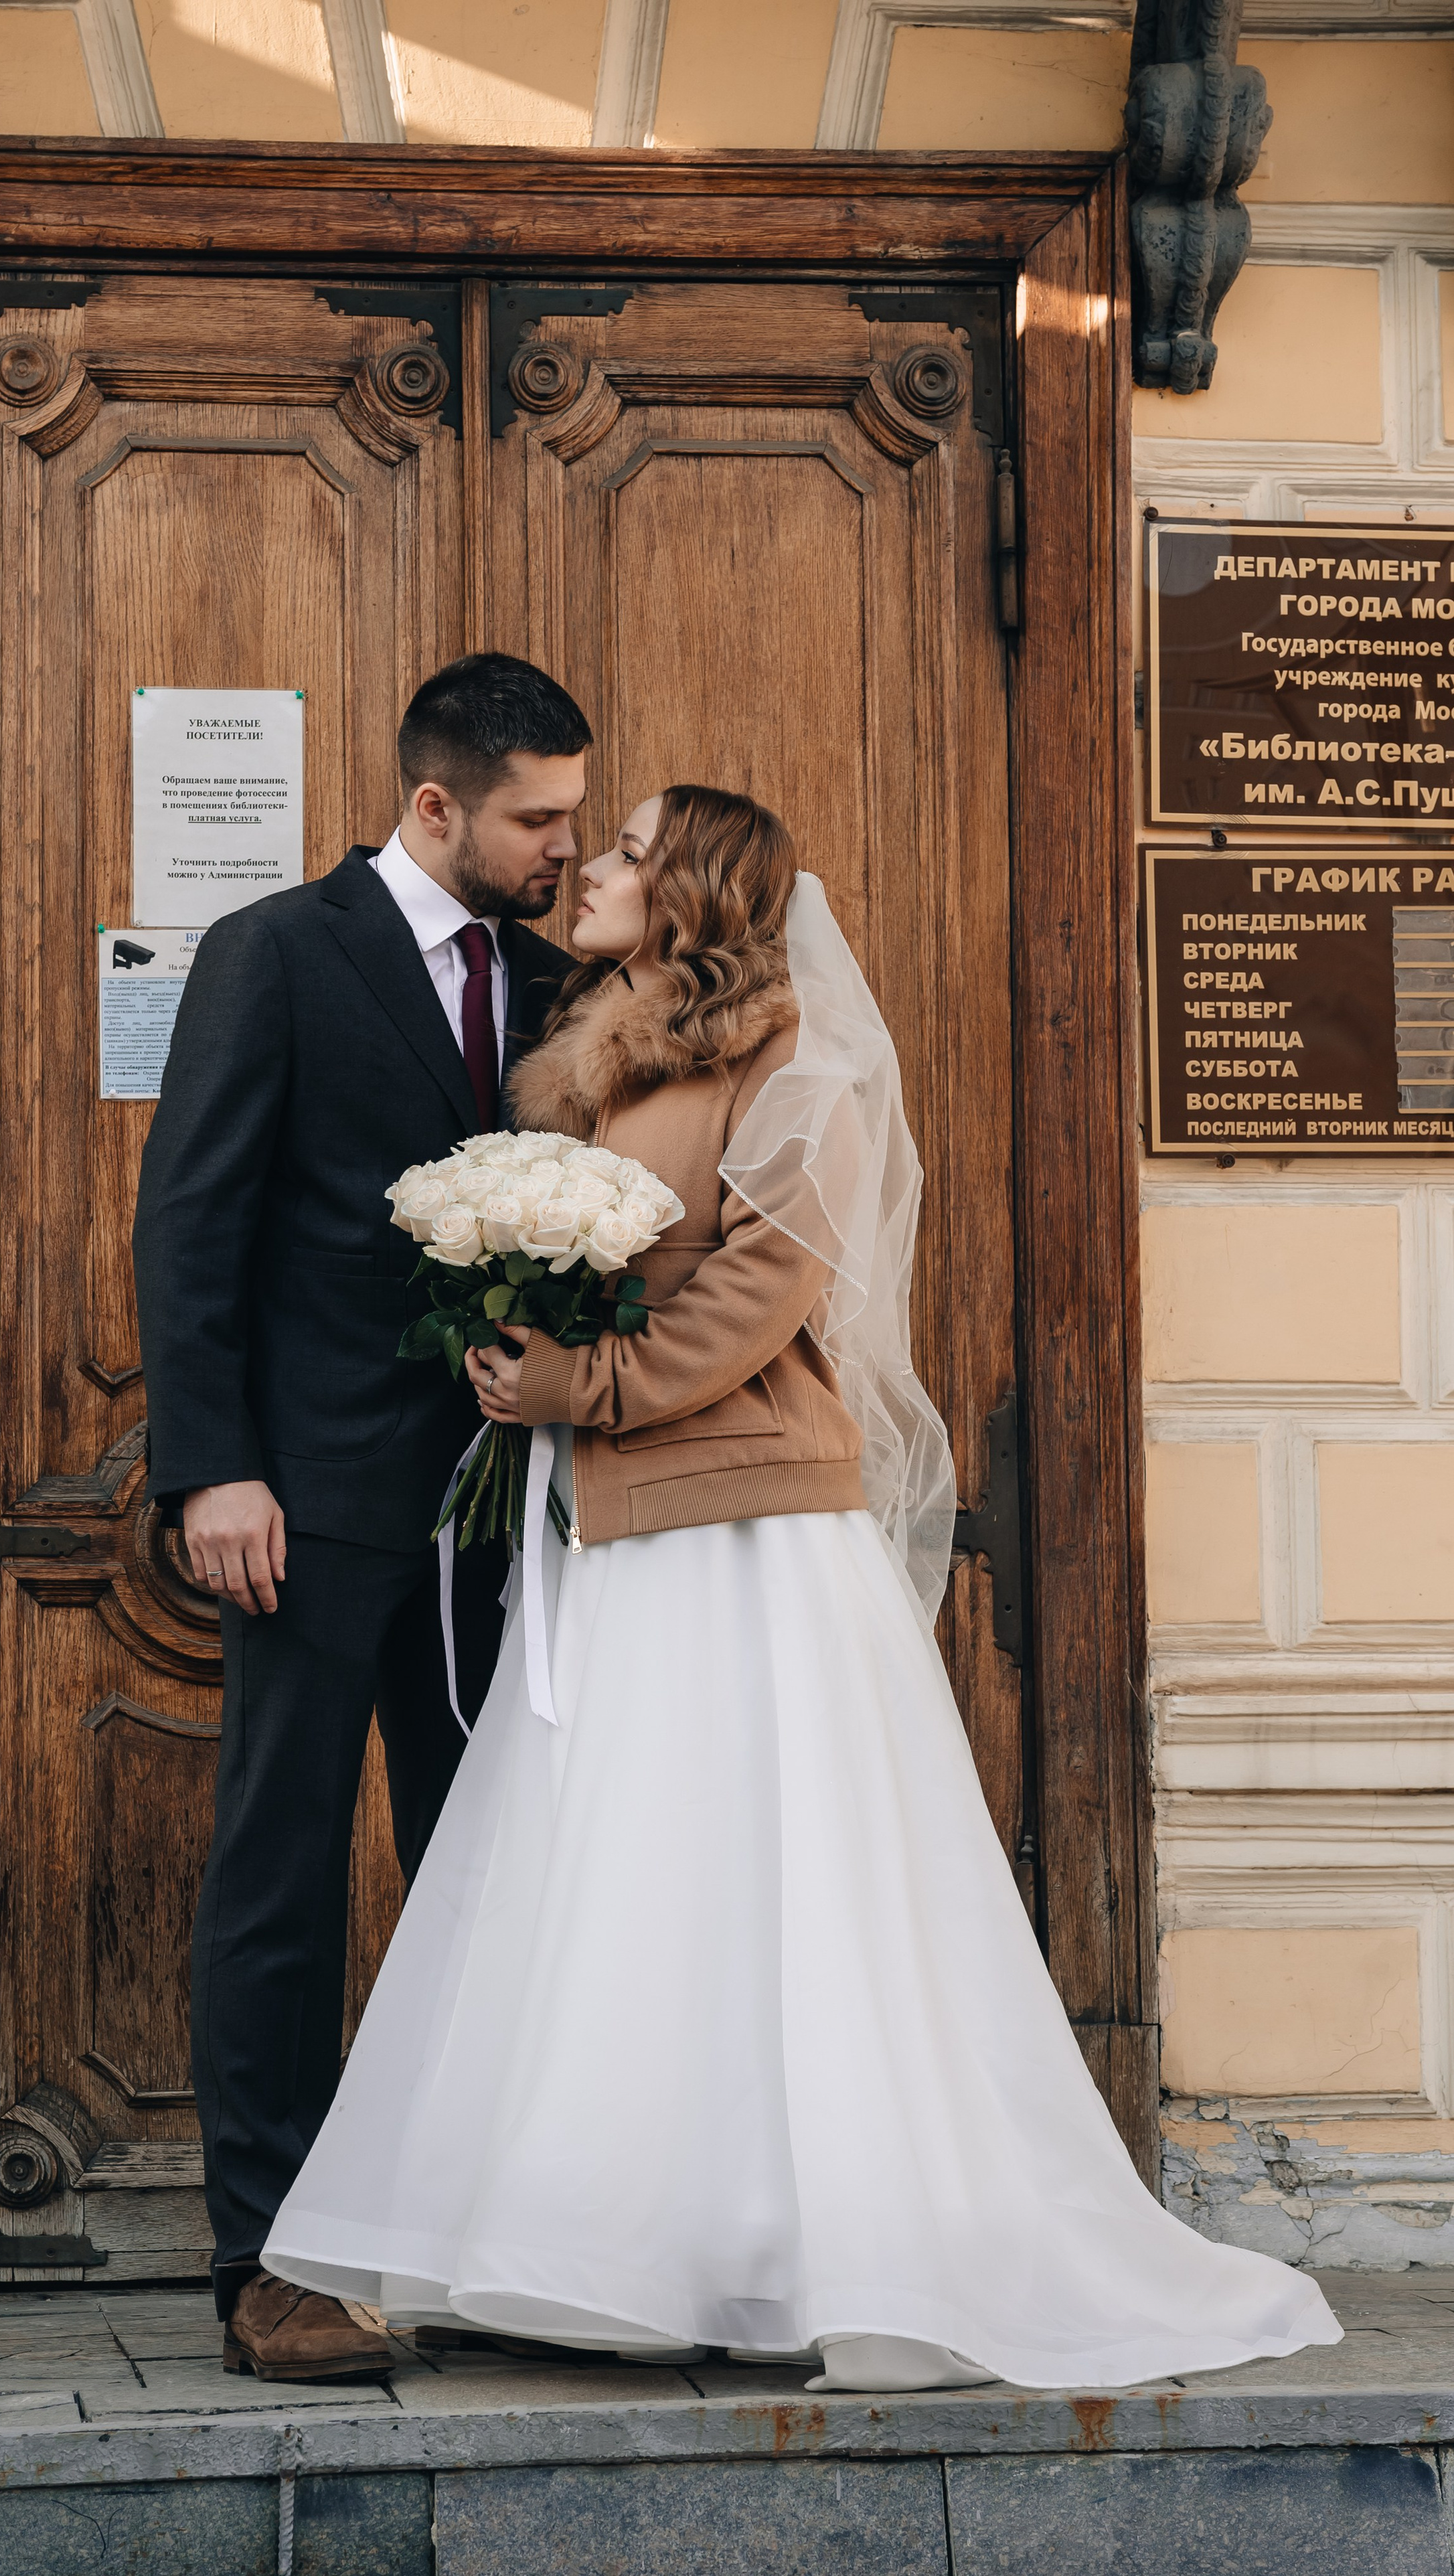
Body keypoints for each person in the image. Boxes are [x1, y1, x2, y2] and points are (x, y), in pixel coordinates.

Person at [260, 784, 1341, 2391]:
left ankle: (817, 2242)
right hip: (609, 1531)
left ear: (688, 891)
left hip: (741, 1528)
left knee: (767, 1880)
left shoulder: (794, 1071)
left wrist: (584, 1384)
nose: (594, 868)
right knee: (624, 1881)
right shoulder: (593, 1053)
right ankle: (614, 2241)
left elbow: (761, 1292)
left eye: (628, 851)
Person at [132, 654, 586, 2383]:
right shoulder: (276, 953)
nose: (563, 844)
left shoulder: (550, 981)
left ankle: (474, 2232)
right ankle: (270, 2261)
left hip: (505, 1514)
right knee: (284, 1871)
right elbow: (193, 1222)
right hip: (307, 1504)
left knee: (494, 1872)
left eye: (572, 815)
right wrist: (212, 1466)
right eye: (536, 818)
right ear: (435, 804)